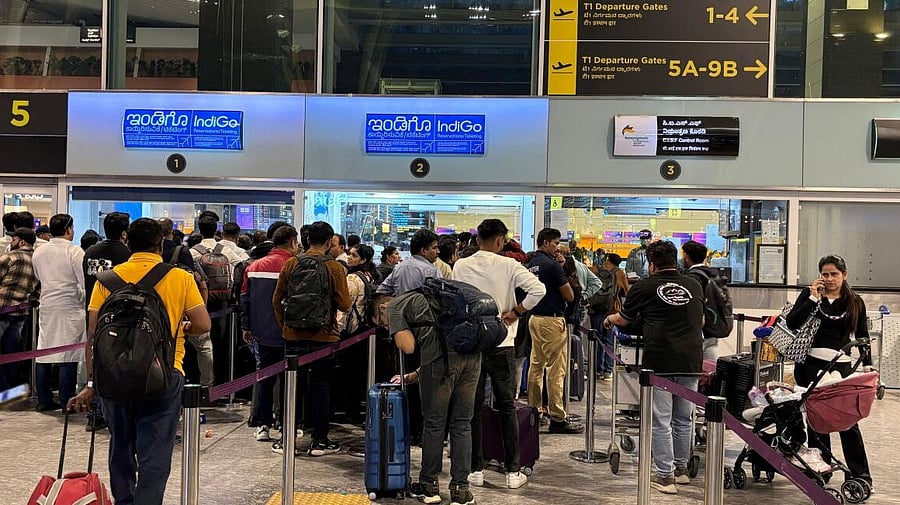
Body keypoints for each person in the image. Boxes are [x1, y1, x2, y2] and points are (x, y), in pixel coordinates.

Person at [67, 217, 211, 505]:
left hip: (114, 376)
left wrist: (92, 382)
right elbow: (203, 323)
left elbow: (94, 334)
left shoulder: (107, 279)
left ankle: (124, 500)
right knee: (156, 450)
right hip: (164, 373)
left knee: (120, 445)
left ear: (127, 242)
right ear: (161, 244)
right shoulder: (179, 277)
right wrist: (180, 327)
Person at [452, 218, 546, 490]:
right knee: (506, 406)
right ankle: (512, 471)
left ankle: (475, 469)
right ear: (500, 240)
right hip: (502, 341)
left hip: (471, 343)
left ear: (477, 238)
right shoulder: (509, 264)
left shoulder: (461, 264)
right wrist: (516, 311)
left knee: (473, 407)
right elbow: (538, 290)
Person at [604, 240, 704, 494]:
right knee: (684, 418)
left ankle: (665, 477)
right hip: (691, 360)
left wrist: (609, 319)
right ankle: (681, 470)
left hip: (660, 360)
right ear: (676, 260)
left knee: (661, 420)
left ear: (651, 264)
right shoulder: (694, 284)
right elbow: (701, 320)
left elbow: (625, 319)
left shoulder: (645, 286)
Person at [378, 289, 479, 505]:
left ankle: (429, 486)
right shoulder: (433, 297)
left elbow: (408, 346)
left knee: (434, 423)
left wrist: (397, 334)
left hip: (441, 362)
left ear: (381, 308)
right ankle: (461, 491)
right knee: (462, 424)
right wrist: (416, 374)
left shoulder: (394, 307)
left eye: (382, 323)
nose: (386, 327)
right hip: (472, 358)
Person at [785, 254, 872, 490]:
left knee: (847, 422)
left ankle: (860, 474)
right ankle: (820, 471)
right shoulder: (810, 295)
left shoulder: (855, 302)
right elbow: (792, 323)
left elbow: (863, 337)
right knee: (816, 421)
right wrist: (813, 298)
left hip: (839, 368)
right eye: (825, 274)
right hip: (809, 366)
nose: (829, 278)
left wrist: (868, 367)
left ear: (844, 275)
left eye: (834, 274)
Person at [272, 221, 351, 456]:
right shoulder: (334, 268)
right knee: (320, 387)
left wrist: (285, 326)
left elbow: (277, 299)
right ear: (329, 242)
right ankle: (319, 440)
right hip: (323, 337)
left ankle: (286, 439)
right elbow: (345, 304)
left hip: (292, 336)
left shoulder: (291, 263)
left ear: (306, 240)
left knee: (292, 387)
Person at [242, 225, 299, 441]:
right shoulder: (295, 266)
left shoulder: (254, 267)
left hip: (262, 332)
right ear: (293, 242)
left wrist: (246, 327)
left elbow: (244, 299)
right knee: (289, 380)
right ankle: (286, 424)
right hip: (291, 332)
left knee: (264, 378)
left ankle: (262, 424)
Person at [525, 228, 583, 434]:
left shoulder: (531, 263)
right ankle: (558, 417)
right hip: (552, 320)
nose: (558, 247)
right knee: (556, 370)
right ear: (546, 242)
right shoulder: (552, 266)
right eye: (556, 243)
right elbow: (568, 295)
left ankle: (534, 410)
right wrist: (562, 271)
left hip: (534, 318)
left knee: (536, 366)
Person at [82, 211, 132, 431]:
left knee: (93, 356)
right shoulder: (127, 254)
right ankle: (108, 412)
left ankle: (94, 410)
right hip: (118, 315)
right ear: (124, 232)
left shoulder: (91, 251)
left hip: (94, 310)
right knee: (116, 362)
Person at [32, 214, 86, 412]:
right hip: (70, 306)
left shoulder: (39, 252)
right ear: (69, 229)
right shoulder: (74, 251)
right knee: (68, 355)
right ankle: (66, 401)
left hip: (47, 304)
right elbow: (83, 281)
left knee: (44, 352)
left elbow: (38, 276)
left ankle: (44, 399)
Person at [191, 215, 245, 387]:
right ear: (217, 231)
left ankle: (202, 380)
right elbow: (242, 266)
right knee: (220, 342)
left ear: (199, 230)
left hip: (200, 301)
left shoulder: (193, 251)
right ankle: (221, 381)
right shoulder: (227, 251)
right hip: (223, 302)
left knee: (201, 343)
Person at [0, 228, 39, 392]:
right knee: (12, 353)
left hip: (2, 310)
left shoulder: (10, 257)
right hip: (21, 312)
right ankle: (13, 388)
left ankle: (2, 389)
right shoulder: (37, 259)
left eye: (13, 239)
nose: (11, 242)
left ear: (22, 241)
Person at [681, 240, 720, 361]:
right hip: (713, 328)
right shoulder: (714, 274)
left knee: (693, 372)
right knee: (710, 371)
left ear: (687, 256)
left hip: (696, 331)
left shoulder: (692, 278)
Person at [592, 253, 629, 380]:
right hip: (613, 309)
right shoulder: (620, 273)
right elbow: (625, 292)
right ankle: (608, 371)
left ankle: (597, 370)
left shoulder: (596, 270)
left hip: (596, 309)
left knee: (596, 339)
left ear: (607, 260)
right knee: (609, 341)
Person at [377, 229, 440, 296]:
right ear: (423, 251)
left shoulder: (399, 268)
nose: (438, 251)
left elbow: (381, 291)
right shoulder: (432, 271)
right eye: (434, 248)